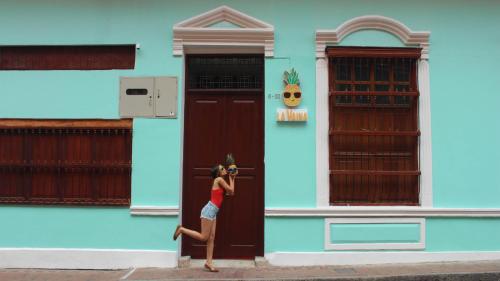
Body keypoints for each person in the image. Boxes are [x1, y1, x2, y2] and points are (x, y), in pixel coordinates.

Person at [173, 164, 236, 272]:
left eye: (224, 168)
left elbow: (231, 192)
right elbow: (231, 190)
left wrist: (232, 178)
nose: (225, 169)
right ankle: (182, 229)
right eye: (222, 169)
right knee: (204, 237)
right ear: (218, 173)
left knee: (211, 238)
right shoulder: (219, 179)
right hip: (209, 210)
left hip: (213, 211)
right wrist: (231, 177)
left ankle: (208, 262)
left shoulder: (220, 183)